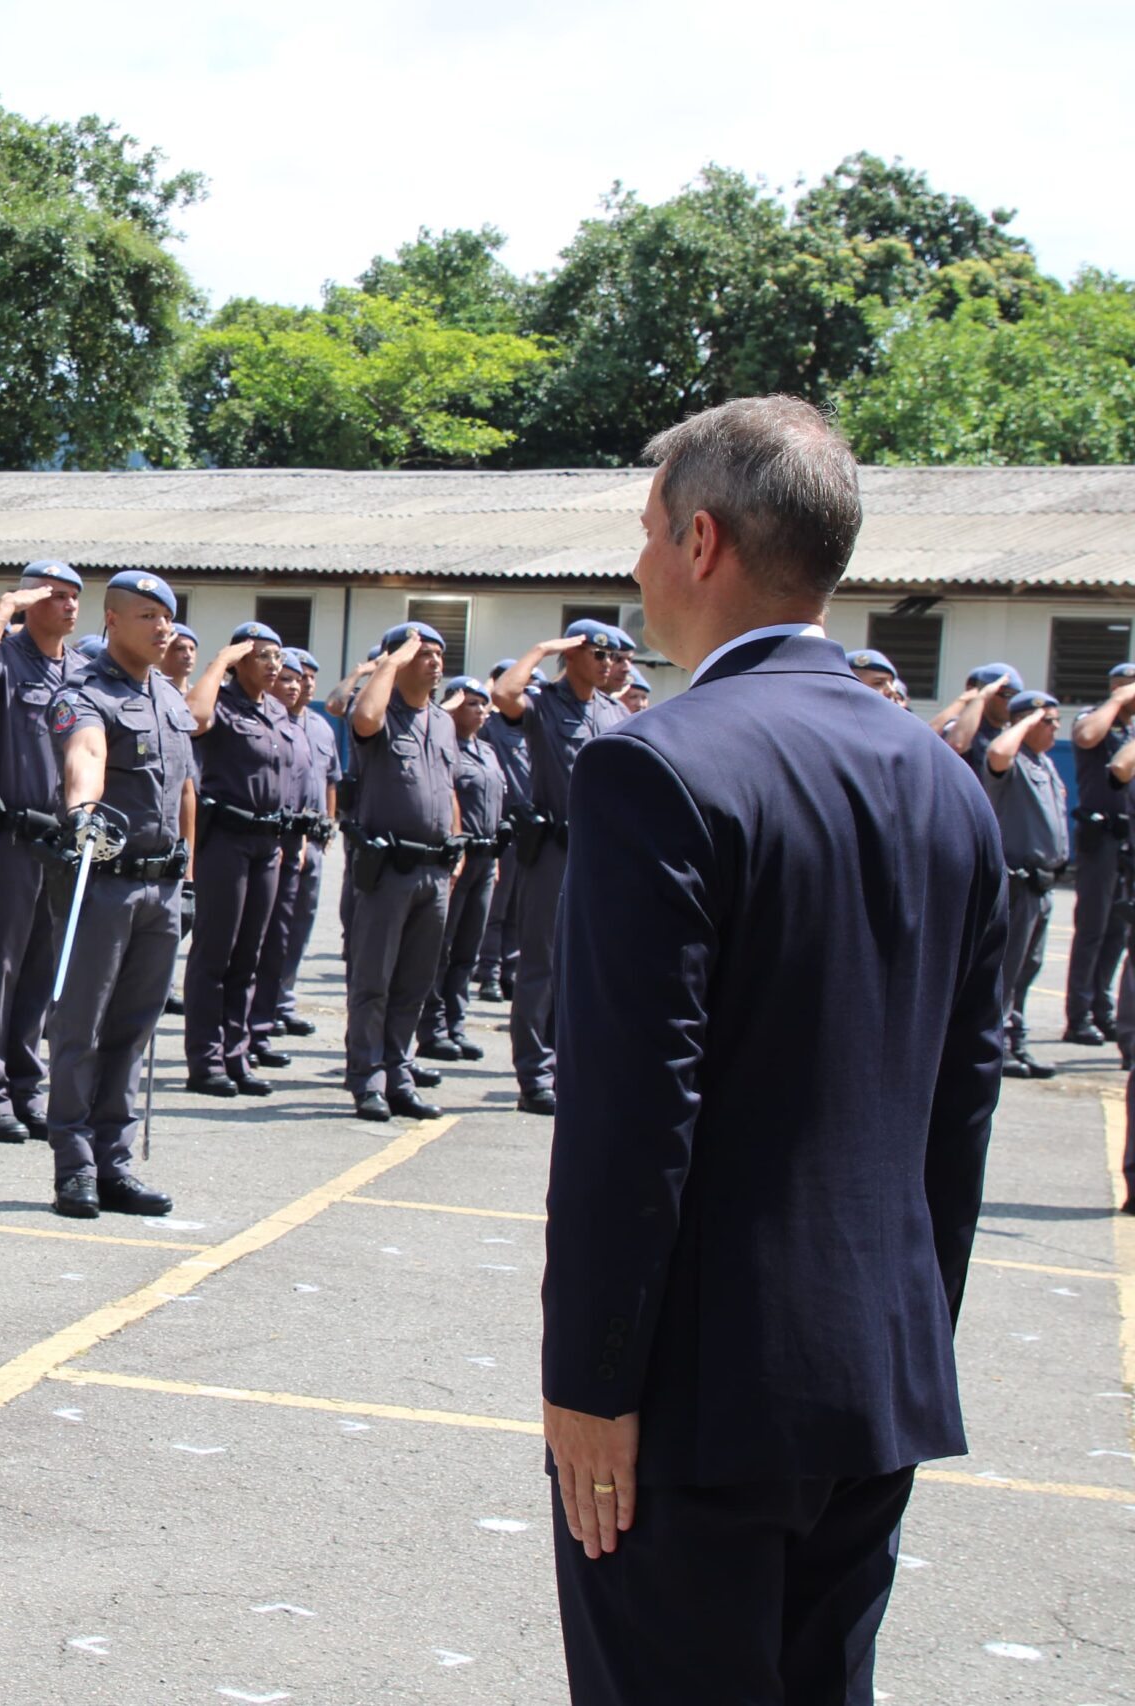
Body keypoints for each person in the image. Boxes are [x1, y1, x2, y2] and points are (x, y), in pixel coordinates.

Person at [542, 395, 1005, 1706]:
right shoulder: (942, 784)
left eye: (645, 534)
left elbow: (635, 1114)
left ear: (701, 540)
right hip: (874, 1375)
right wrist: (906, 1341)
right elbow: (956, 1110)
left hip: (699, 1396)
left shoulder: (658, 768)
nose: (634, 568)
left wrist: (588, 1380)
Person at [42, 571, 191, 1218]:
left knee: (134, 1032)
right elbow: (86, 756)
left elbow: (187, 791)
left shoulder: (169, 697)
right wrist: (82, 809)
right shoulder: (84, 693)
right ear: (112, 619)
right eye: (148, 616)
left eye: (169, 617)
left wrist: (191, 878)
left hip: (163, 889)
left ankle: (115, 1165)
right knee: (82, 1029)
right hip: (104, 884)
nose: (163, 627)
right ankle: (74, 1167)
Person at [0, 562, 86, 1144]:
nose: (68, 605)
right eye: (56, 596)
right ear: (32, 600)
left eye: (75, 596)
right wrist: (6, 607)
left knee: (41, 977)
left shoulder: (82, 668)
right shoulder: (8, 654)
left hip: (62, 843)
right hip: (11, 838)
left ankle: (27, 1089)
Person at [492, 618, 633, 1116]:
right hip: (554, 849)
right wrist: (542, 646)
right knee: (541, 968)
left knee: (589, 967)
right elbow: (503, 694)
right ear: (573, 654)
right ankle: (534, 1075)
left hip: (604, 853)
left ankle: (572, 1066)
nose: (608, 663)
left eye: (611, 656)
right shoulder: (544, 704)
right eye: (598, 653)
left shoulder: (615, 711)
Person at [341, 623, 460, 1121]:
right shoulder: (379, 713)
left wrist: (457, 849)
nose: (433, 662)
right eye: (422, 654)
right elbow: (363, 718)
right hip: (388, 868)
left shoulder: (444, 721)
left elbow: (448, 788)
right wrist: (388, 660)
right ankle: (367, 1079)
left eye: (438, 654)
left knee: (415, 982)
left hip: (434, 870)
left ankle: (398, 1074)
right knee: (374, 981)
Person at [179, 622, 298, 1097]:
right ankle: (206, 1061)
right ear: (240, 661)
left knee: (249, 955)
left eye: (278, 656)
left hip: (267, 844)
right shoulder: (221, 704)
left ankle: (237, 1053)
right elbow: (193, 718)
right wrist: (220, 663)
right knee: (216, 953)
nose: (275, 666)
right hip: (225, 839)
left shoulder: (276, 710)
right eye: (263, 656)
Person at [977, 691, 1069, 1079]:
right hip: (1019, 880)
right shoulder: (1011, 759)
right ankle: (994, 1049)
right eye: (1050, 721)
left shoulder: (1044, 763)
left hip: (1044, 883)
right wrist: (1027, 721)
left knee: (1028, 968)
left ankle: (1017, 1042)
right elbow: (996, 755)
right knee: (1008, 970)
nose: (1056, 727)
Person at [418, 675, 506, 1063]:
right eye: (472, 703)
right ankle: (433, 1029)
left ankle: (456, 1024)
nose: (482, 711)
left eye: (485, 704)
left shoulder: (488, 751)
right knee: (442, 947)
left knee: (467, 950)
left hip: (486, 860)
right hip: (457, 860)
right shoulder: (443, 748)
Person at [255, 647, 336, 1052]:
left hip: (313, 837)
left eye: (305, 677)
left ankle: (280, 1003)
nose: (299, 684)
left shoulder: (319, 727)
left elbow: (331, 778)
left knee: (298, 925)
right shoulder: (272, 720)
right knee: (267, 930)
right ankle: (258, 1012)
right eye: (290, 676)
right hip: (279, 839)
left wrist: (327, 825)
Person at [1063, 664, 1135, 1045]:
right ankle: (1078, 1015)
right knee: (1092, 928)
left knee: (1118, 931)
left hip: (1128, 838)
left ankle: (1103, 1010)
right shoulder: (1095, 717)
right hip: (1100, 834)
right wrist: (1119, 697)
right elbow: (1088, 738)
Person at [476, 656, 531, 1003]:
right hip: (503, 828)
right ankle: (489, 973)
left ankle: (510, 970)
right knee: (497, 908)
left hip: (531, 829)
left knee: (518, 909)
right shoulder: (489, 727)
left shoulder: (532, 726)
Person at [932, 662, 1021, 758]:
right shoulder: (962, 726)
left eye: (1016, 696)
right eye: (1007, 695)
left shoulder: (1011, 734)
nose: (1012, 702)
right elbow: (957, 745)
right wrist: (981, 697)